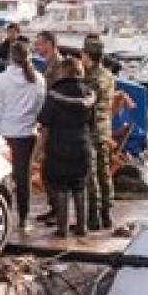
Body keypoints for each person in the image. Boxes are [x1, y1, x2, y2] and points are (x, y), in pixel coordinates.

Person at [0, 41, 46, 232]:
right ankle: (23, 217)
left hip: (5, 133)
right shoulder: (38, 79)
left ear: (11, 58)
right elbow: (39, 107)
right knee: (23, 178)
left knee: (2, 176)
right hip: (27, 134)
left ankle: (3, 216)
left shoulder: (2, 80)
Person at [35, 57, 95, 238]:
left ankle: (62, 228)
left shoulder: (54, 94)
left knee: (60, 186)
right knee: (79, 185)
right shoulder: (88, 94)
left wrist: (40, 151)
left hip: (59, 145)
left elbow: (45, 126)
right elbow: (91, 123)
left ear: (63, 71)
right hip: (82, 145)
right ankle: (81, 227)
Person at [32, 31, 73, 225]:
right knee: (47, 170)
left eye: (39, 44)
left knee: (53, 170)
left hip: (56, 125)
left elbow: (57, 96)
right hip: (51, 121)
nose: (37, 48)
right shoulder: (50, 65)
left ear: (49, 44)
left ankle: (59, 211)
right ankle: (54, 207)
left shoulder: (58, 66)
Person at [82, 37, 117, 231]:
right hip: (105, 129)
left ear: (89, 56)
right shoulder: (108, 76)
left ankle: (93, 215)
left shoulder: (91, 78)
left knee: (91, 174)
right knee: (105, 172)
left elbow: (86, 104)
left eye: (83, 54)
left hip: (91, 130)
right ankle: (107, 212)